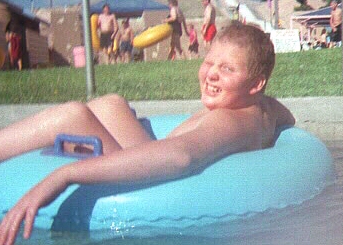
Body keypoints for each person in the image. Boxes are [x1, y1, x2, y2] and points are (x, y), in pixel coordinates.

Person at [0, 21, 295, 245]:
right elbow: (288, 119)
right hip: (153, 155)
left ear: (255, 84)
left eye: (228, 69)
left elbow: (180, 156)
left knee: (73, 115)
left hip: (157, 185)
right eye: (209, 62)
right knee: (111, 104)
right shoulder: (265, 108)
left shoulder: (231, 121)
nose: (211, 73)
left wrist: (64, 175)